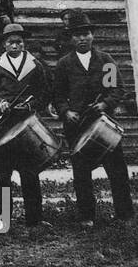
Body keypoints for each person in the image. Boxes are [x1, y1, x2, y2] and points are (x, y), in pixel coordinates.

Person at [52, 12, 132, 227]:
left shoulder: (105, 60)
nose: (82, 38)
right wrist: (66, 112)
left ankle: (124, 215)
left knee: (117, 171)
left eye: (86, 33)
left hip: (104, 124)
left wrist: (105, 104)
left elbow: (117, 89)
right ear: (71, 38)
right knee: (81, 173)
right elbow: (58, 95)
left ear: (92, 36)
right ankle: (86, 216)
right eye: (77, 35)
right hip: (77, 126)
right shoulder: (64, 64)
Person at [0, 24, 50, 231]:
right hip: (4, 124)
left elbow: (44, 92)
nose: (15, 45)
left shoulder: (35, 65)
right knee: (3, 174)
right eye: (11, 42)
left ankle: (35, 219)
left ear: (24, 43)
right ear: (4, 44)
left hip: (27, 126)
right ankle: (1, 220)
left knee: (29, 172)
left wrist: (31, 105)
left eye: (19, 42)